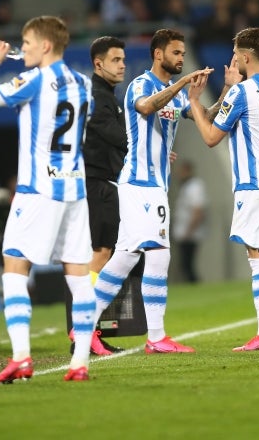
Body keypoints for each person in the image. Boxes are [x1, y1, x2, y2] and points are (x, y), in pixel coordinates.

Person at [0, 15, 97, 383]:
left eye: (26, 43)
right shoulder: (84, 84)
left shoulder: (34, 79)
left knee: (14, 266)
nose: (21, 49)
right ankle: (80, 363)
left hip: (38, 190)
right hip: (75, 188)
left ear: (45, 45)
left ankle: (22, 358)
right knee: (78, 274)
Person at [92, 28, 224, 354]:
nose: (181, 59)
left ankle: (83, 324)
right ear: (158, 54)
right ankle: (156, 336)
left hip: (153, 186)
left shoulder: (174, 94)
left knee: (123, 258)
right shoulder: (141, 84)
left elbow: (204, 116)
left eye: (183, 54)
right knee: (159, 254)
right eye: (176, 53)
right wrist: (182, 84)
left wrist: (227, 91)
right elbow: (146, 108)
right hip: (140, 184)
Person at [185, 27, 259, 352]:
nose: (233, 58)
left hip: (255, 182)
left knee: (257, 257)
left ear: (246, 56)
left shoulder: (242, 93)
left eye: (236, 53)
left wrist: (196, 102)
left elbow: (210, 137)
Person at [76, 35, 128, 356]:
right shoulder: (98, 97)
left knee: (102, 254)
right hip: (96, 183)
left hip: (101, 182)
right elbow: (117, 136)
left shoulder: (107, 95)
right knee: (100, 253)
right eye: (116, 60)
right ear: (99, 64)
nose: (122, 65)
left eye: (123, 59)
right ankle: (84, 330)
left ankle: (87, 329)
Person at [172, 160, 208, 283]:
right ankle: (193, 286)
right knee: (185, 264)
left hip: (190, 233)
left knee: (187, 264)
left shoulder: (195, 186)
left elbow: (198, 211)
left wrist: (189, 231)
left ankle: (195, 286)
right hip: (183, 232)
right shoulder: (185, 186)